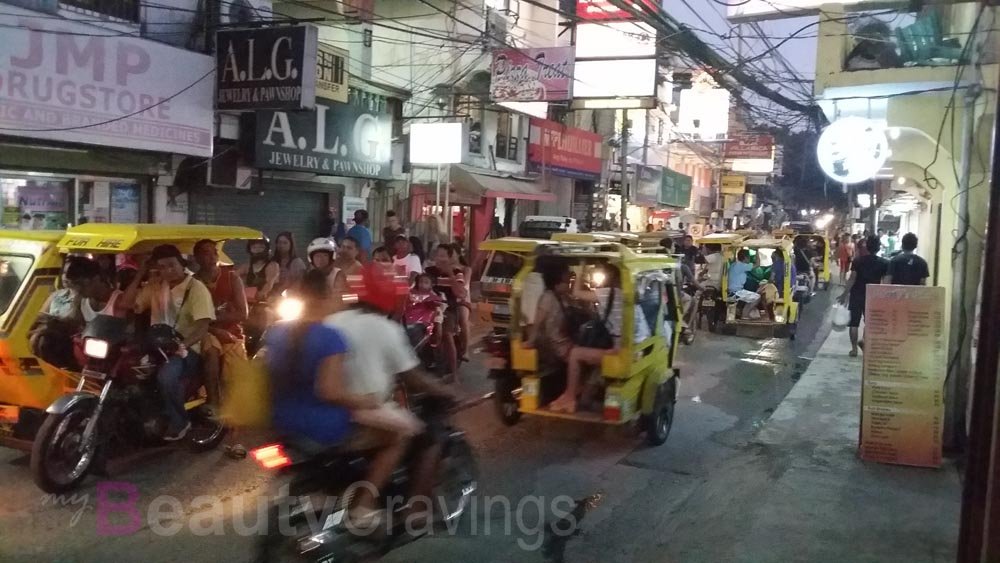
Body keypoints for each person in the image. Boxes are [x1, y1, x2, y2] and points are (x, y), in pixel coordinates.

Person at [326, 264, 457, 524]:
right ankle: (400, 507)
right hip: (364, 409)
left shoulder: (332, 321)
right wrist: (445, 390)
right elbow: (414, 378)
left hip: (329, 409)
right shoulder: (385, 329)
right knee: (417, 432)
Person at [123, 244, 216, 441]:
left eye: (171, 265)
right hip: (155, 345)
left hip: (186, 348)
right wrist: (140, 274)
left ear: (182, 264)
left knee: (167, 377)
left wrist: (181, 346)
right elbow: (127, 304)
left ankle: (180, 421)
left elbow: (202, 327)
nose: (167, 271)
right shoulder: (156, 285)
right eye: (162, 267)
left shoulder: (196, 289)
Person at [549, 266, 649, 413]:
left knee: (576, 353)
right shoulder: (633, 295)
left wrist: (580, 270)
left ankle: (569, 397)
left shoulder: (608, 293)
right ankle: (584, 397)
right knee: (594, 355)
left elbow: (576, 293)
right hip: (638, 348)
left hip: (622, 351)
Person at [193, 239, 250, 459]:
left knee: (237, 384)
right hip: (208, 334)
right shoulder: (194, 282)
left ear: (217, 255)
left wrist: (212, 320)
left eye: (211, 253)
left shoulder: (231, 277)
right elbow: (195, 318)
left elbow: (242, 314)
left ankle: (236, 439)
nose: (208, 257)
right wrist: (215, 328)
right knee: (210, 348)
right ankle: (213, 402)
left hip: (233, 334)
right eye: (203, 254)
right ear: (196, 258)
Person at [838, 236, 888, 357]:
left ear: (867, 247)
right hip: (873, 296)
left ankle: (854, 349)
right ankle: (864, 341)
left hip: (856, 294)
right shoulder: (884, 263)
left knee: (854, 324)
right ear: (878, 247)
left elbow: (852, 278)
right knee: (870, 323)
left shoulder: (857, 261)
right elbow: (885, 283)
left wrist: (844, 294)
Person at [424, 245, 465, 379]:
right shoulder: (428, 271)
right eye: (438, 255)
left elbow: (461, 293)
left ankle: (454, 374)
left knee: (447, 335)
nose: (440, 259)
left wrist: (450, 274)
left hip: (448, 309)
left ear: (449, 258)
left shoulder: (457, 273)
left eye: (443, 256)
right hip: (428, 308)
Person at [66, 257, 130, 323]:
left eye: (82, 284)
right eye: (74, 285)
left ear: (96, 279)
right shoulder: (80, 302)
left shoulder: (120, 300)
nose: (78, 289)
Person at [238, 238, 280, 302]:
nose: (257, 250)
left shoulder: (273, 265)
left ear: (266, 249)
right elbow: (234, 276)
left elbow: (269, 284)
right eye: (254, 247)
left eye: (261, 247)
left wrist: (261, 293)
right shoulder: (247, 266)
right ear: (250, 250)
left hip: (269, 300)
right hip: (249, 299)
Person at [728, 249, 759, 318]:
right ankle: (745, 315)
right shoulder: (742, 265)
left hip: (731, 291)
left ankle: (743, 313)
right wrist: (757, 250)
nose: (749, 259)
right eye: (749, 257)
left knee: (749, 295)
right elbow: (757, 264)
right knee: (757, 297)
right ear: (745, 258)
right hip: (737, 292)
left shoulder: (734, 264)